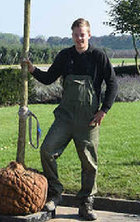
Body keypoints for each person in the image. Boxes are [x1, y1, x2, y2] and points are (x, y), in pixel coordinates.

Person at [24, 18, 118, 221]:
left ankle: (86, 203)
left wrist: (104, 110)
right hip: (65, 117)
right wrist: (32, 70)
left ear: (89, 35)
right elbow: (49, 78)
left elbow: (112, 84)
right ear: (72, 35)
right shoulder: (65, 56)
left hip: (89, 120)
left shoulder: (98, 57)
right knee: (47, 149)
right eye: (76, 34)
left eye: (82, 34)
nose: (79, 38)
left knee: (89, 163)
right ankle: (55, 193)